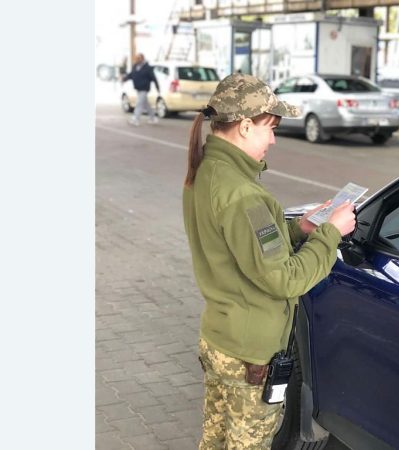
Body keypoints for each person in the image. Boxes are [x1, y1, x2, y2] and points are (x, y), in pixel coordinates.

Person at [182, 73, 357, 449]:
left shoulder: (207, 172)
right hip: (249, 354)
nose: (274, 139)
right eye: (270, 128)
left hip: (218, 337)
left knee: (214, 438)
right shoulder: (244, 194)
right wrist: (331, 233)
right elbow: (284, 280)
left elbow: (238, 247)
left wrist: (300, 230)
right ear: (245, 126)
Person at [122, 53, 160, 126]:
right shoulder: (135, 66)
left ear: (142, 58)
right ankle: (153, 118)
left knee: (139, 103)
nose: (137, 59)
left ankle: (135, 119)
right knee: (146, 104)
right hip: (138, 88)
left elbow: (154, 78)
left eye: (139, 58)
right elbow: (131, 75)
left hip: (144, 88)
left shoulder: (147, 68)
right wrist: (124, 79)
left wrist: (157, 87)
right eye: (136, 58)